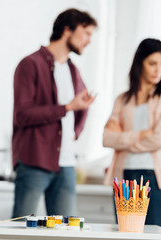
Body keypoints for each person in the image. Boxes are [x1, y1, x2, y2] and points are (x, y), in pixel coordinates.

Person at [12, 8, 97, 218]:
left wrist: (75, 132)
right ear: (67, 30)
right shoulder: (30, 64)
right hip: (34, 160)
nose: (89, 40)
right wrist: (66, 108)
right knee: (21, 229)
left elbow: (83, 105)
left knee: (66, 232)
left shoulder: (73, 70)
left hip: (67, 164)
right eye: (86, 33)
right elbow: (23, 115)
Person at [103, 38, 161, 228]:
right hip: (124, 176)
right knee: (127, 234)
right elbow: (107, 138)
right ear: (139, 63)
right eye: (152, 63)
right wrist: (142, 134)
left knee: (157, 236)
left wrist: (124, 139)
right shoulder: (122, 99)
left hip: (155, 177)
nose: (158, 69)